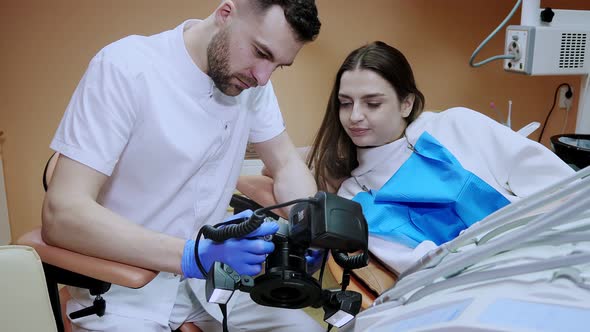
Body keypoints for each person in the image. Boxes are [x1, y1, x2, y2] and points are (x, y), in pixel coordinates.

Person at [42, 1, 323, 331]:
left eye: (278, 65)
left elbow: (287, 162)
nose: (263, 77)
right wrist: (192, 255)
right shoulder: (126, 67)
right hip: (126, 288)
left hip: (214, 284)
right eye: (261, 52)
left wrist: (310, 223)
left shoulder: (252, 86)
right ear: (225, 14)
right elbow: (62, 213)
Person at [307, 41, 575, 276]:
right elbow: (427, 268)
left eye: (372, 103)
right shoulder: (354, 195)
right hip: (483, 283)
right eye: (345, 103)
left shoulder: (455, 126)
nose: (354, 116)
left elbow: (563, 189)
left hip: (556, 246)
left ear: (406, 104)